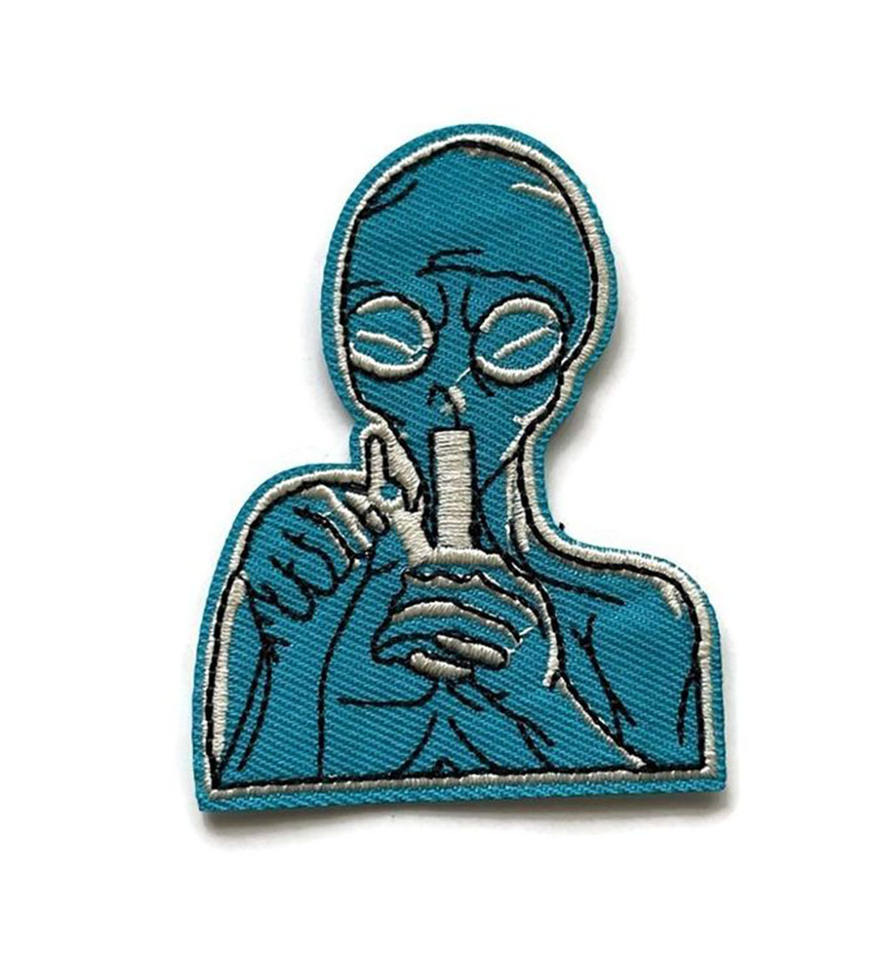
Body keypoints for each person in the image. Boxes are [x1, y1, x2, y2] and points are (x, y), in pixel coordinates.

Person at [195, 127, 722, 804]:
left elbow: (665, 808)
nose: (450, 390)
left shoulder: (635, 623)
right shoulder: (306, 574)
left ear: (565, 366)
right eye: (393, 335)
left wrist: (544, 697)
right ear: (349, 356)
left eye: (513, 340)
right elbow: (249, 791)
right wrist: (294, 650)